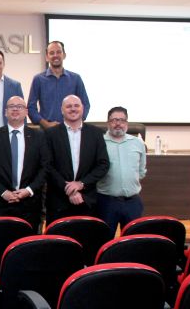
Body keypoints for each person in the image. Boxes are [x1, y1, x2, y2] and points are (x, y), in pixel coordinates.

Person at [0, 96, 48, 232]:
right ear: (5, 112)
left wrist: (29, 190)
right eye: (11, 106)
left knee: (28, 243)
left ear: (26, 112)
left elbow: (45, 167)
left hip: (29, 204)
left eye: (20, 106)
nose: (15, 109)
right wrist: (3, 192)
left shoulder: (39, 136)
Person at [44, 95, 110, 223]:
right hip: (58, 202)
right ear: (62, 110)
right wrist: (69, 189)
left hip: (87, 200)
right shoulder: (50, 134)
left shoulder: (96, 133)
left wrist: (81, 184)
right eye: (68, 106)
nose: (73, 109)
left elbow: (103, 164)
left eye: (76, 105)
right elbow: (47, 166)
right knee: (58, 236)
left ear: (82, 108)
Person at [96, 106, 147, 237]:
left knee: (133, 241)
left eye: (122, 120)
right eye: (114, 120)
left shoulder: (138, 143)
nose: (118, 123)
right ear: (108, 123)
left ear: (127, 123)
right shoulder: (99, 143)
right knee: (104, 240)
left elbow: (141, 171)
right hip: (106, 202)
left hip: (132, 203)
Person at [27, 41, 90, 129]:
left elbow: (85, 104)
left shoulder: (75, 78)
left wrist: (76, 122)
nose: (55, 55)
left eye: (59, 52)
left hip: (72, 130)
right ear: (47, 57)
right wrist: (45, 124)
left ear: (64, 55)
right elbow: (31, 107)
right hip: (47, 131)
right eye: (52, 53)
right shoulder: (38, 79)